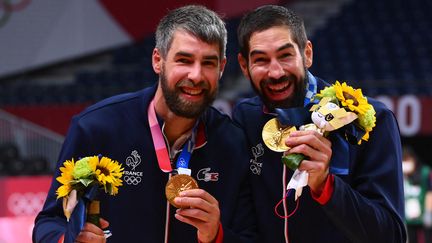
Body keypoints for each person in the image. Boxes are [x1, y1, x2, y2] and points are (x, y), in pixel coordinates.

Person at [33, 5, 256, 243]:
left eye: (208, 63)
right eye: (184, 60)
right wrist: (66, 240)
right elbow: (49, 222)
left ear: (221, 68)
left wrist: (216, 236)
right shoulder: (97, 128)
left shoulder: (232, 143)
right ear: (158, 60)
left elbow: (249, 237)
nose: (196, 75)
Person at [233, 5, 406, 243]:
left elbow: (391, 236)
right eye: (261, 60)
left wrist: (327, 186)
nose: (275, 72)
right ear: (244, 66)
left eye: (285, 55)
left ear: (307, 54)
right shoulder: (246, 118)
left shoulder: (369, 119)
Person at [403, 145, 432, 243]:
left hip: (423, 218)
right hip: (407, 219)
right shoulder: (401, 176)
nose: (405, 164)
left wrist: (428, 212)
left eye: (407, 160)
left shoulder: (424, 172)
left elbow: (429, 193)